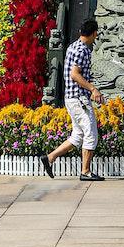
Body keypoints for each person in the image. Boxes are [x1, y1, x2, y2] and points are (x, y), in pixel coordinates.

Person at [41, 18, 104, 182]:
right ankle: (86, 171)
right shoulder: (82, 50)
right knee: (91, 133)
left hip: (71, 97)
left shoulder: (72, 46)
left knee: (78, 135)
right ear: (94, 33)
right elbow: (75, 74)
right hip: (79, 98)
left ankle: (50, 157)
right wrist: (93, 89)